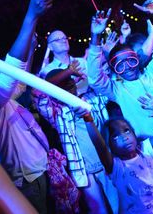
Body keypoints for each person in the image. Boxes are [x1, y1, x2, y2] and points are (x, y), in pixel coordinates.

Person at [87, 0, 153, 213]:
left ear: (138, 59)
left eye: (131, 60)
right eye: (119, 64)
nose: (127, 67)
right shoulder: (117, 89)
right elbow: (94, 77)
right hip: (144, 154)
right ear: (114, 69)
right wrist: (96, 37)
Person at [32, 68, 118, 214]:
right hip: (85, 172)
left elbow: (106, 82)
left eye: (69, 82)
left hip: (108, 164)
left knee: (118, 207)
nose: (68, 87)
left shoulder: (92, 100)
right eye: (62, 86)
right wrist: (68, 71)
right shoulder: (58, 113)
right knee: (98, 211)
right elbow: (38, 92)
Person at [0, 0, 52, 214]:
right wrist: (31, 16)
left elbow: (18, 84)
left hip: (41, 167)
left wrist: (29, 48)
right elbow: (10, 77)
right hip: (26, 178)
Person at [85, 94, 153, 213]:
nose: (124, 137)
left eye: (126, 131)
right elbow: (98, 143)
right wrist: (88, 119)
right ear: (109, 145)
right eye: (115, 136)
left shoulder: (145, 150)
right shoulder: (115, 165)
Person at [39, 29, 88, 96]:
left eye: (65, 38)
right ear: (50, 47)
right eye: (57, 39)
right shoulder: (47, 70)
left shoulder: (81, 62)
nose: (64, 40)